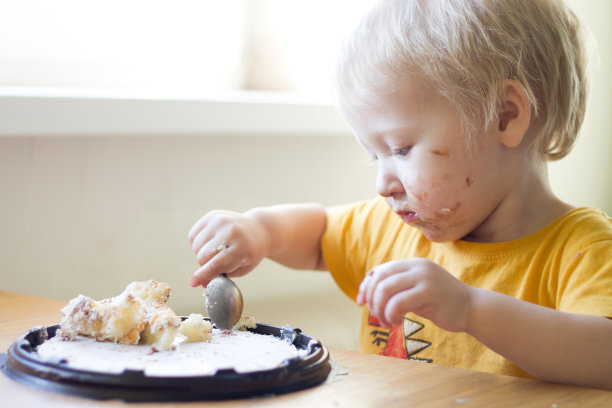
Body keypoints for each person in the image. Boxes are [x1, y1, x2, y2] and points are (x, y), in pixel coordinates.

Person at [187, 0, 612, 390]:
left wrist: (471, 310)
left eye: (402, 149)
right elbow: (318, 236)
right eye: (374, 156)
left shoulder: (583, 249)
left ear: (505, 115)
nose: (383, 184)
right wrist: (259, 230)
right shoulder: (391, 229)